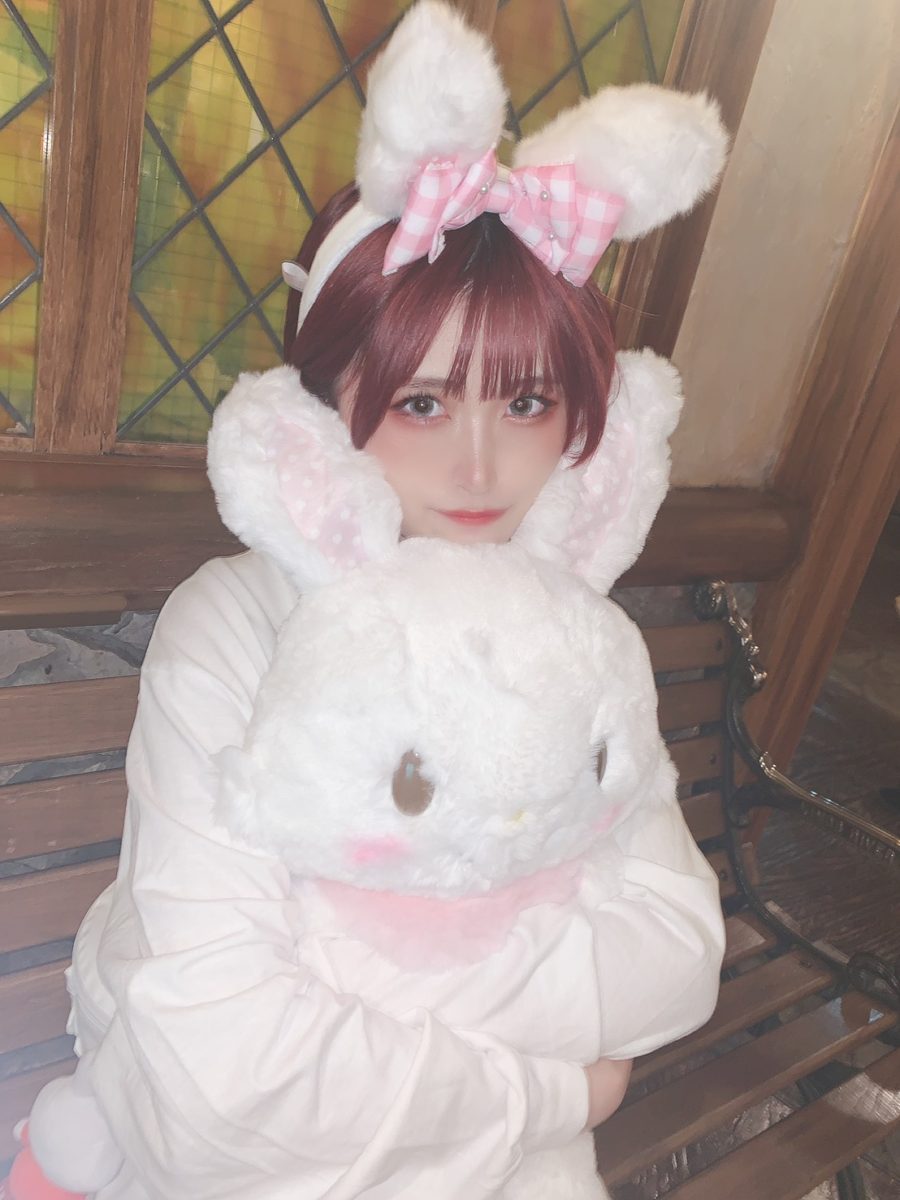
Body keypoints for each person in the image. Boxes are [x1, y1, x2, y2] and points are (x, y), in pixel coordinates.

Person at [15, 5, 729, 1198]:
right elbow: (221, 1087)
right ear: (332, 401)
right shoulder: (233, 629)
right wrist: (562, 1088)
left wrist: (342, 962)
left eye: (527, 403)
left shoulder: (572, 628)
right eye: (421, 403)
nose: (479, 469)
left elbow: (679, 956)